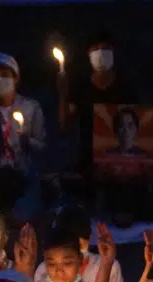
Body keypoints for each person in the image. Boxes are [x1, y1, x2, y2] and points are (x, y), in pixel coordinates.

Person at [58, 32, 138, 185]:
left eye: (106, 48)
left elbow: (137, 124)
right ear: (89, 54)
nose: (101, 53)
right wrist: (62, 94)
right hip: (88, 163)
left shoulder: (126, 88)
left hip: (119, 165)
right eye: (96, 48)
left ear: (114, 52)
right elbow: (64, 126)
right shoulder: (81, 87)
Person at [0, 53, 47, 214]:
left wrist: (25, 139)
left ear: (16, 78)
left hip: (25, 174)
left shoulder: (31, 108)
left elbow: (42, 147)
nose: (0, 80)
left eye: (5, 75)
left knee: (23, 214)